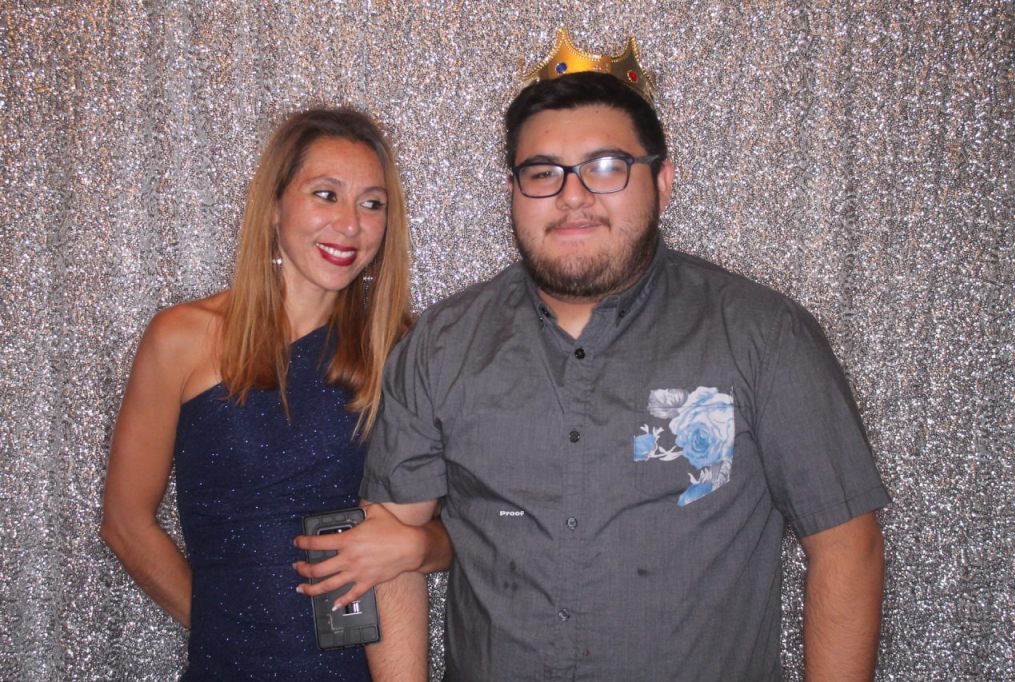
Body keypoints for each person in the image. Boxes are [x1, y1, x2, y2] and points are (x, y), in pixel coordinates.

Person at [360, 32, 890, 682]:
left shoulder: (764, 336)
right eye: (543, 172)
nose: (572, 196)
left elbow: (846, 546)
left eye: (607, 166)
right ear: (513, 190)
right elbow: (386, 546)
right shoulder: (442, 346)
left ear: (662, 182)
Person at [101, 108, 446, 680]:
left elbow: (467, 531)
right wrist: (223, 633)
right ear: (274, 206)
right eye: (326, 195)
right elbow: (125, 522)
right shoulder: (181, 338)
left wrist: (419, 548)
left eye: (372, 204)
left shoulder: (403, 353)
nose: (350, 224)